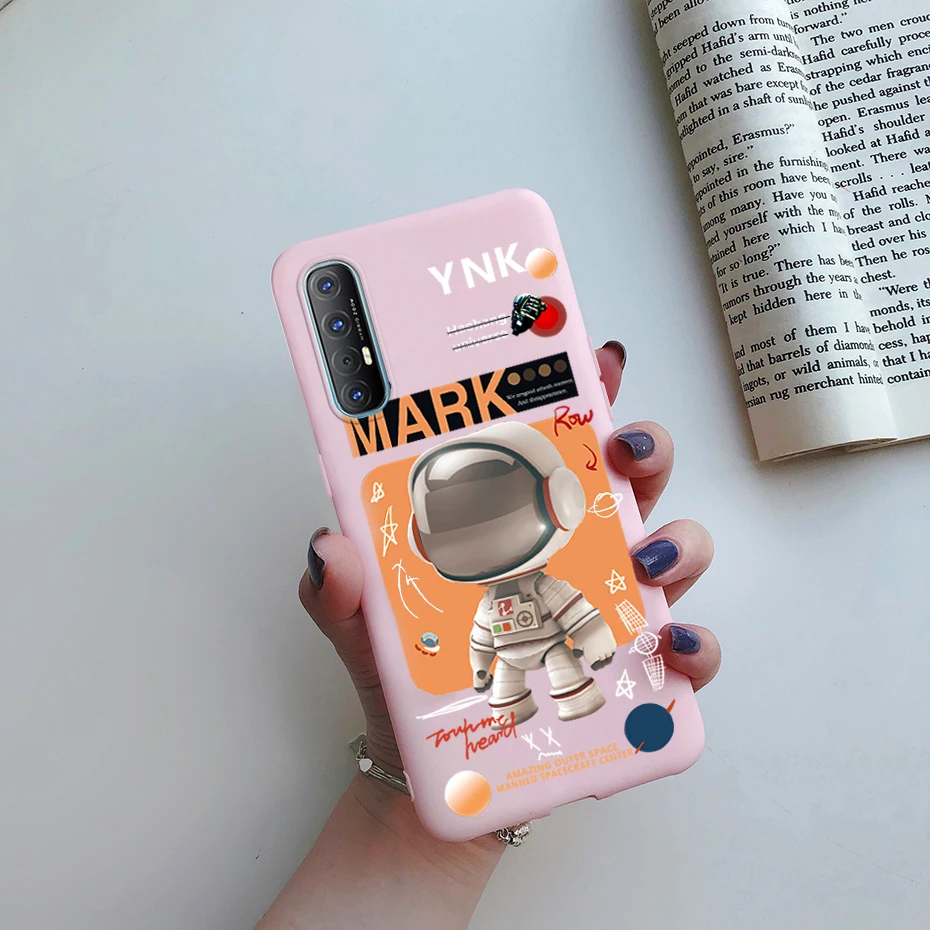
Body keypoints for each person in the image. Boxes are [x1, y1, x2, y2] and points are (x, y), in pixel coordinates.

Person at [255, 342, 721, 930]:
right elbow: (481, 637)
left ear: (561, 500)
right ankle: (520, 703)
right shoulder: (487, 605)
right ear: (423, 543)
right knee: (507, 688)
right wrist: (475, 676)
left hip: (552, 651)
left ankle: (576, 698)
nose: (477, 532)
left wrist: (598, 639)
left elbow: (574, 609)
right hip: (509, 667)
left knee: (565, 673)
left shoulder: (548, 583)